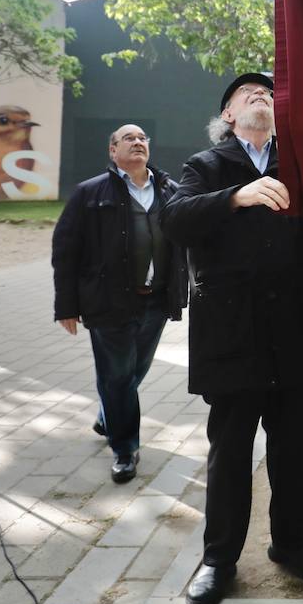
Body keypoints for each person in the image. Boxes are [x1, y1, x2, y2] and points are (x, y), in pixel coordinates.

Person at [160, 73, 303, 604]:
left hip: (293, 335)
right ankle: (219, 559)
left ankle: (291, 545)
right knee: (230, 453)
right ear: (228, 115)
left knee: (293, 447)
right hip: (232, 336)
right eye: (247, 94)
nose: (261, 96)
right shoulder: (205, 166)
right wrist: (236, 197)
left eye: (269, 93)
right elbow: (175, 220)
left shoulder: (299, 166)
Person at [52, 123, 186, 485]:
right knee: (118, 375)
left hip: (156, 300)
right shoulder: (88, 193)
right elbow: (65, 252)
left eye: (143, 138)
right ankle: (125, 449)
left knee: (133, 372)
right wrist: (66, 305)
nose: (139, 142)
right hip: (108, 302)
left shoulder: (170, 190)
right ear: (113, 151)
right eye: (129, 138)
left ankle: (108, 414)